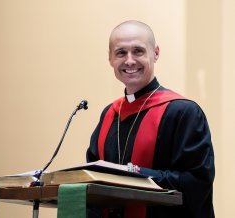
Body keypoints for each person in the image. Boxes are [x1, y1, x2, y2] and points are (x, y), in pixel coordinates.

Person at [86, 20, 215, 218]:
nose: (129, 61)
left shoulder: (183, 112)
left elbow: (196, 182)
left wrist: (133, 174)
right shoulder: (109, 115)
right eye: (121, 52)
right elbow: (94, 180)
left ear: (155, 53)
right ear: (110, 58)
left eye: (138, 51)